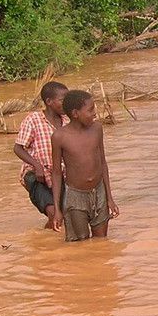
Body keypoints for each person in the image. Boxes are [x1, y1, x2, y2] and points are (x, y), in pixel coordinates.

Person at [50, 90, 119, 241]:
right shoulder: (59, 137)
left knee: (101, 242)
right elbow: (56, 173)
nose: (95, 113)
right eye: (90, 110)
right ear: (75, 113)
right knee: (79, 244)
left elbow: (102, 163)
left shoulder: (97, 129)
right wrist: (57, 209)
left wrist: (109, 198)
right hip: (75, 196)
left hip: (99, 192)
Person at [13, 81, 69, 228]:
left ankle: (45, 242)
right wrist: (37, 165)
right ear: (49, 102)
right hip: (36, 175)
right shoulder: (33, 120)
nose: (66, 103)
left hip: (60, 175)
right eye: (62, 100)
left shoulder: (68, 120)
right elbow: (18, 148)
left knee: (62, 214)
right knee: (53, 212)